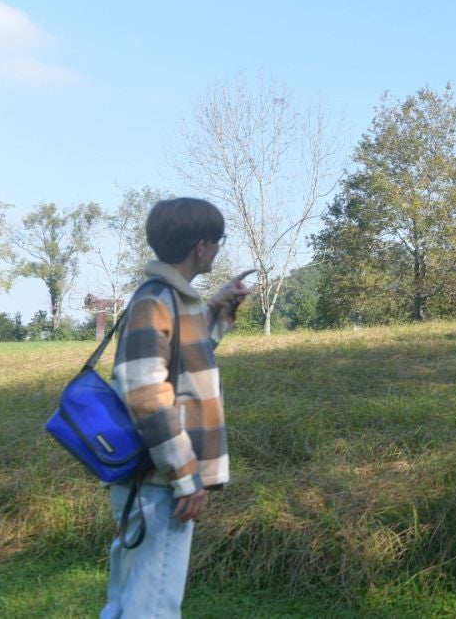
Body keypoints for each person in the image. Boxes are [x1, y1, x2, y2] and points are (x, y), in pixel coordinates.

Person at [102, 197, 254, 618]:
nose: (219, 249)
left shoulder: (172, 299)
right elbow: (145, 392)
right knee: (151, 607)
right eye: (219, 241)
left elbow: (186, 355)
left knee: (128, 602)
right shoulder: (156, 301)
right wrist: (186, 476)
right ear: (201, 246)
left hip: (156, 482)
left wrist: (220, 307)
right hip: (159, 485)